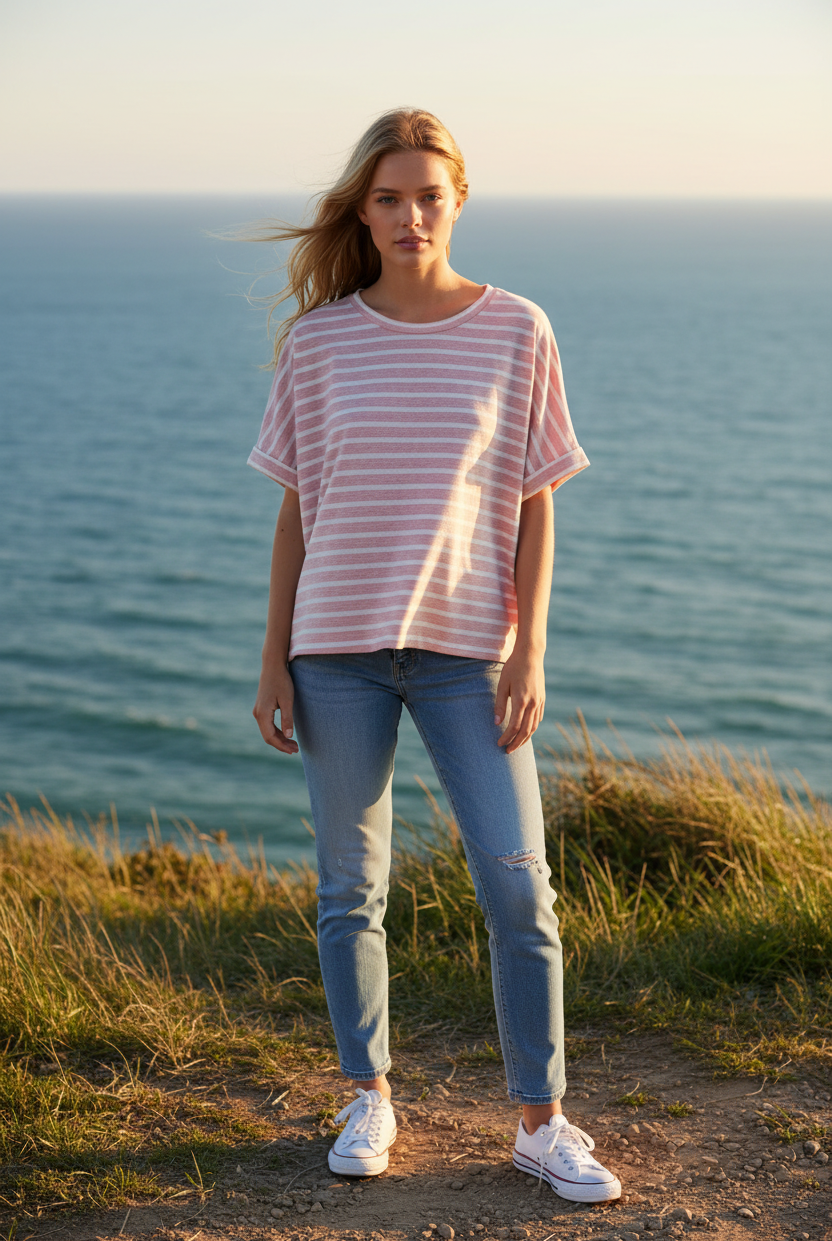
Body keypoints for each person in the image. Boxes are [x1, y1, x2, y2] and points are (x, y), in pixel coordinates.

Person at [247, 108, 620, 1204]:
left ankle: (540, 1120)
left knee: (519, 885)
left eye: (428, 195)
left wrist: (528, 646)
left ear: (458, 199)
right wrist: (274, 658)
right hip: (337, 654)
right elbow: (296, 511)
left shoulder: (516, 328)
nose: (410, 216)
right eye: (387, 198)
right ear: (361, 210)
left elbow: (537, 501)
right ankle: (368, 1092)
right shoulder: (318, 341)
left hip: (469, 654)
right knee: (348, 888)